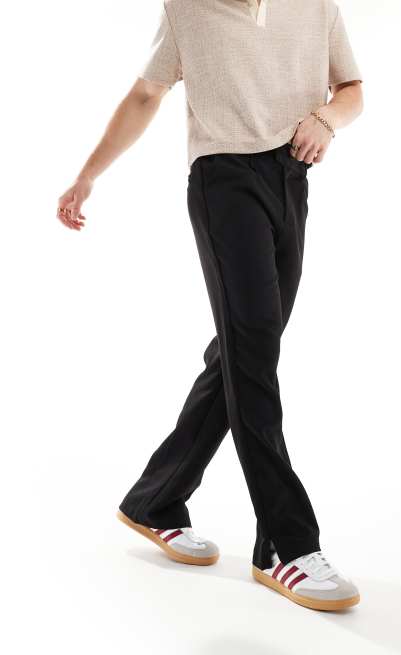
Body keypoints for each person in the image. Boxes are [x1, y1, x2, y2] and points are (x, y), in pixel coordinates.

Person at [57, 0, 364, 612]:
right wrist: (88, 175)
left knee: (243, 352)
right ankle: (285, 545)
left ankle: (155, 499)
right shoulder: (186, 9)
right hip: (224, 183)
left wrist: (326, 120)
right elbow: (145, 95)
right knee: (252, 356)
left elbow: (351, 90)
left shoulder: (315, 6)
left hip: (291, 180)